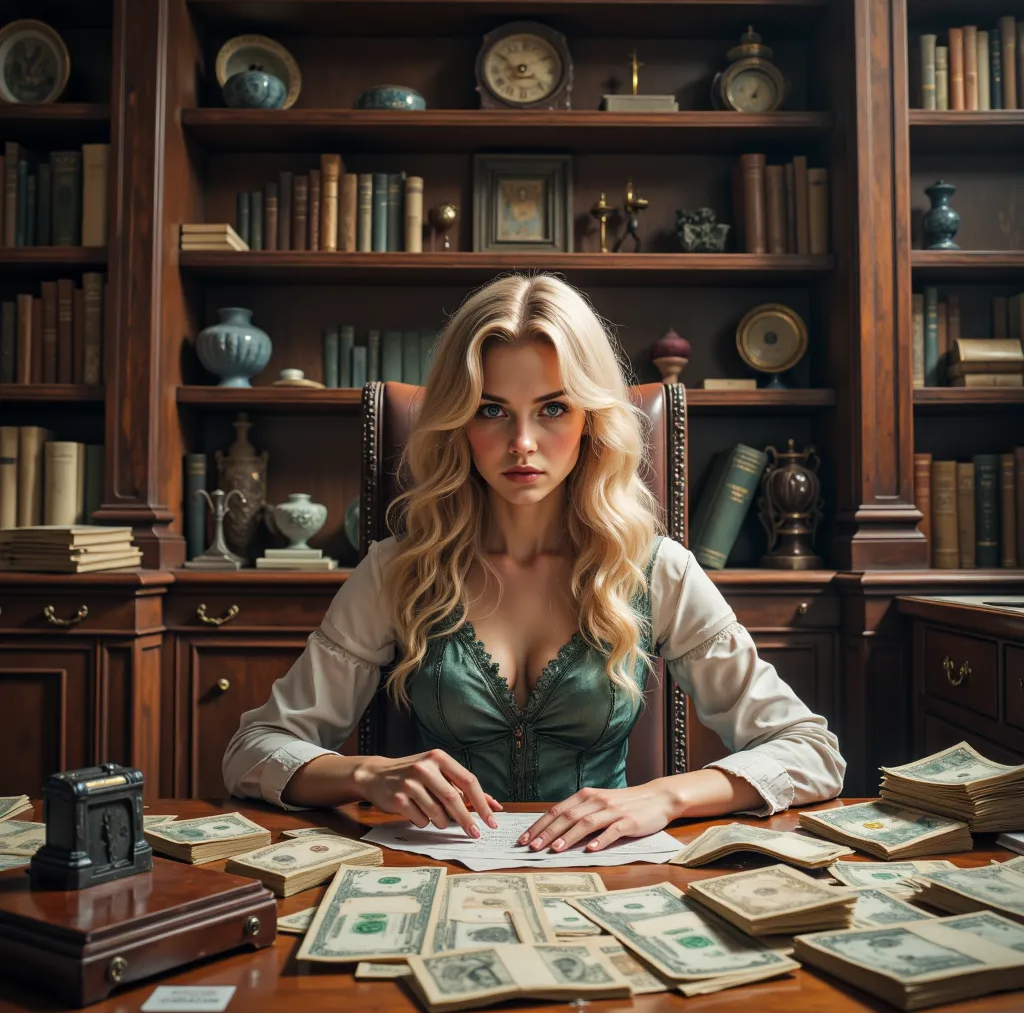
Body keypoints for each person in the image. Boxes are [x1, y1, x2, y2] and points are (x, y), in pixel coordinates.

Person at [223, 274, 845, 855]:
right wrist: (367, 774)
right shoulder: (399, 571)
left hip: (611, 876)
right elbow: (252, 750)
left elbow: (811, 752)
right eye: (492, 410)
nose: (523, 442)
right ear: (458, 423)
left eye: (553, 408)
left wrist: (665, 795)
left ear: (592, 420)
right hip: (443, 873)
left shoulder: (657, 571)